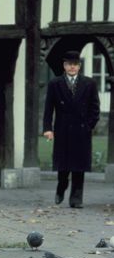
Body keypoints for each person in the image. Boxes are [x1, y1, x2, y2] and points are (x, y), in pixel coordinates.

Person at [43, 50, 100, 208]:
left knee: (79, 167)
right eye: (69, 64)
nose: (72, 67)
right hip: (62, 129)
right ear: (64, 66)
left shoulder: (89, 84)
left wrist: (89, 126)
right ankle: (61, 188)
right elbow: (48, 108)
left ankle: (76, 199)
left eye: (75, 64)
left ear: (79, 66)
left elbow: (95, 108)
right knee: (63, 166)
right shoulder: (55, 83)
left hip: (82, 130)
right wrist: (48, 128)